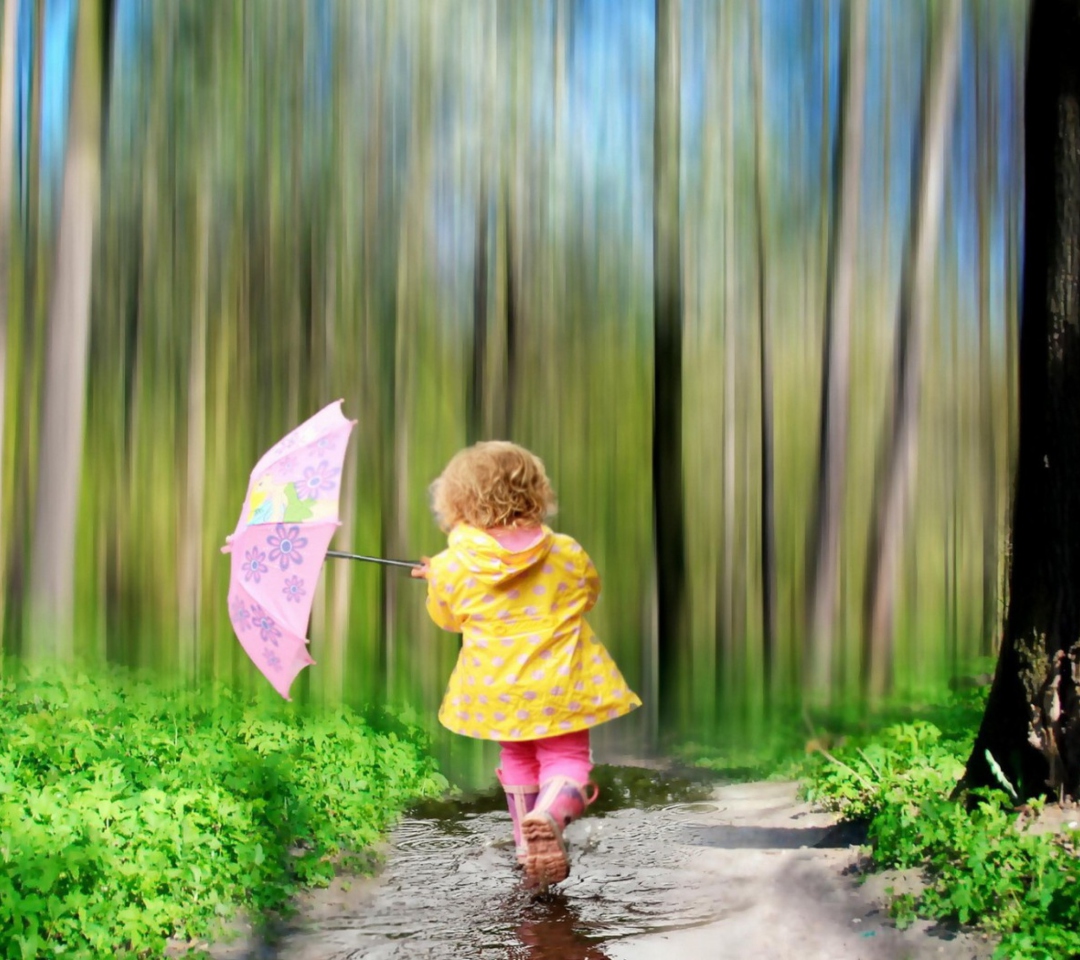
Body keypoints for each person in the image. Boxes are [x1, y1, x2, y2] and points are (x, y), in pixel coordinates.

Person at [412, 441, 642, 886]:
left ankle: (526, 846)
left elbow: (448, 619)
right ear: (535, 492)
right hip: (562, 683)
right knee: (565, 757)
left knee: (516, 755)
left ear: (457, 501)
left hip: (495, 689)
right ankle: (551, 816)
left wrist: (435, 579)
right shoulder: (566, 551)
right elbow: (587, 594)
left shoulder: (451, 565)